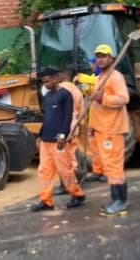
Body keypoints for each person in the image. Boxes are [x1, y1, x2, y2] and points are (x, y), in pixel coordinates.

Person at [30, 67, 86, 212]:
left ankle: (77, 194)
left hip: (59, 141)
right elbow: (47, 118)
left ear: (56, 78)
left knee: (65, 170)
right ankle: (46, 201)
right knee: (44, 171)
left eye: (48, 81)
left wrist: (62, 136)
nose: (46, 85)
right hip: (46, 140)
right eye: (44, 82)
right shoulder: (47, 97)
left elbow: (67, 118)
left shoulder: (65, 95)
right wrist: (40, 136)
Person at [89, 44, 130, 217]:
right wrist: (92, 125)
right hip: (102, 128)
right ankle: (116, 199)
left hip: (112, 129)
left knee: (114, 165)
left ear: (111, 59)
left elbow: (123, 98)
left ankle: (120, 201)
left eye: (104, 56)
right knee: (108, 165)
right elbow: (94, 106)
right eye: (98, 56)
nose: (100, 59)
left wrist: (103, 97)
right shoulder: (101, 77)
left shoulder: (115, 77)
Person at [74, 57, 107, 184]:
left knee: (103, 149)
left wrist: (81, 77)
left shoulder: (103, 79)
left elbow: (94, 83)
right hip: (93, 120)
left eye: (92, 63)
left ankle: (106, 172)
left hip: (103, 122)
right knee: (94, 149)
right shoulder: (94, 78)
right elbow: (87, 89)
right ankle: (98, 171)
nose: (92, 65)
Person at [53, 67, 85, 195]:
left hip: (63, 126)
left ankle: (66, 185)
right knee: (71, 155)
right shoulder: (77, 91)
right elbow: (82, 113)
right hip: (74, 126)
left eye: (59, 74)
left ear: (64, 75)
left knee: (62, 157)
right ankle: (74, 180)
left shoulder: (61, 89)